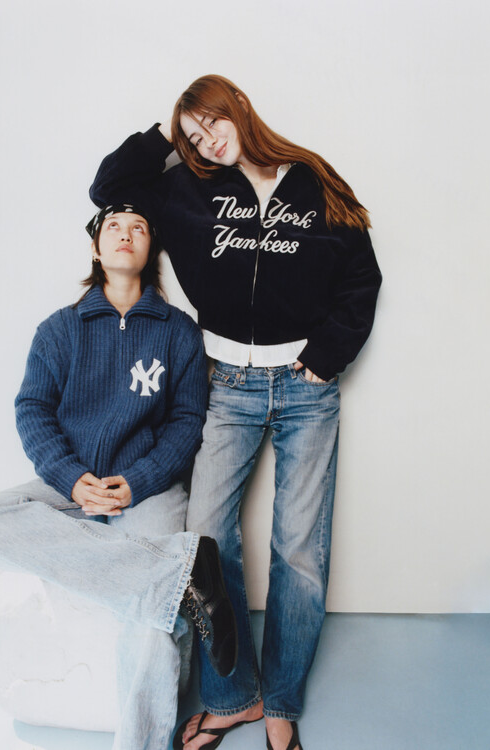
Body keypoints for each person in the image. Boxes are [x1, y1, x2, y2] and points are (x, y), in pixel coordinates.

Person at [90, 75, 382, 750]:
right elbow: (109, 187)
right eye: (193, 136)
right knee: (207, 537)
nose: (207, 141)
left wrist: (328, 353)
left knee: (299, 549)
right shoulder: (185, 190)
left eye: (212, 123)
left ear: (240, 107)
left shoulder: (314, 179)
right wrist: (168, 136)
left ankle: (280, 701)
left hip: (306, 388)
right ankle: (233, 696)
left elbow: (362, 275)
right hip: (225, 385)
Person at [0, 203, 239, 750]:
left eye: (138, 228)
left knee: (151, 622)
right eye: (113, 226)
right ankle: (178, 574)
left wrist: (139, 479)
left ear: (150, 247)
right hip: (71, 484)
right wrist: (71, 479)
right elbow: (32, 410)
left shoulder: (179, 332)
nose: (125, 235)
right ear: (96, 247)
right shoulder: (59, 329)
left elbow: (188, 422)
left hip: (147, 488)